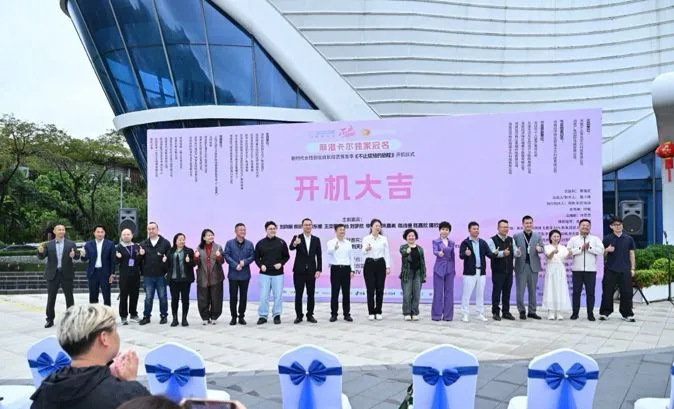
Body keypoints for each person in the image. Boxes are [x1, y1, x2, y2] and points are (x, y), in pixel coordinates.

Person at [30, 304, 150, 409]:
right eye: (115, 330)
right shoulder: (126, 395)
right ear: (104, 338)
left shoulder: (47, 388)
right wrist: (131, 384)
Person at [37, 224, 79, 328]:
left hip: (66, 274)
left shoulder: (71, 244)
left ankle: (70, 319)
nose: (61, 231)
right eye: (59, 229)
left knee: (69, 297)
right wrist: (40, 252)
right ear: (54, 231)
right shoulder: (48, 244)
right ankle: (50, 319)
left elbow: (77, 256)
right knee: (51, 298)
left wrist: (74, 255)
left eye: (63, 229)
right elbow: (42, 257)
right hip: (53, 274)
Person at [599, 216, 637, 322]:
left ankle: (627, 314)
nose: (618, 226)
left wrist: (633, 268)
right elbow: (602, 255)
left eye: (620, 224)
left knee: (627, 292)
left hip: (625, 269)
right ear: (611, 226)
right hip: (610, 269)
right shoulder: (607, 238)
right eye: (615, 225)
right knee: (607, 292)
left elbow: (632, 254)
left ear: (622, 226)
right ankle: (605, 313)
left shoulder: (629, 239)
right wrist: (607, 250)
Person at [567, 219, 604, 321]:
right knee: (576, 292)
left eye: (587, 226)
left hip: (591, 270)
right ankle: (575, 313)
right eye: (583, 225)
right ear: (579, 227)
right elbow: (568, 252)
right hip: (577, 270)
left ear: (590, 228)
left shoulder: (595, 239)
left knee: (590, 293)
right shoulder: (573, 239)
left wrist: (589, 248)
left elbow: (601, 251)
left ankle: (590, 314)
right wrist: (580, 249)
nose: (585, 227)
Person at [254, 221, 290, 325]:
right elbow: (256, 257)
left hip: (278, 274)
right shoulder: (260, 243)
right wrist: (261, 265)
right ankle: (263, 316)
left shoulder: (281, 242)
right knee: (263, 296)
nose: (272, 230)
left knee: (278, 296)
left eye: (274, 228)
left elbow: (286, 256)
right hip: (264, 274)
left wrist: (281, 264)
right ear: (266, 230)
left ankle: (277, 315)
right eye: (270, 229)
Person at [289, 218, 323, 324]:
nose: (308, 226)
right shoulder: (297, 237)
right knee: (298, 294)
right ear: (302, 226)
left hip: (311, 271)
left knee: (311, 294)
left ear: (312, 226)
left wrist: (319, 269)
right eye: (306, 225)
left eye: (309, 225)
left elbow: (319, 256)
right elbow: (291, 248)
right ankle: (299, 316)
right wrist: (295, 243)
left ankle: (310, 315)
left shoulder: (316, 239)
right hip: (299, 271)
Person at [459, 221, 494, 322]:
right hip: (469, 272)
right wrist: (466, 253)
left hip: (481, 272)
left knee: (480, 294)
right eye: (474, 229)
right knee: (466, 294)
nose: (476, 230)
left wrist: (495, 253)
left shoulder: (482, 242)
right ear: (469, 230)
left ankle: (480, 313)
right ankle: (465, 314)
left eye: (477, 229)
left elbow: (489, 254)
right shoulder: (465, 243)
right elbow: (461, 256)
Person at [139, 222, 171, 326]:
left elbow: (170, 259)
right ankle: (146, 316)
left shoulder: (165, 243)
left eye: (153, 228)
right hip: (148, 275)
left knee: (162, 297)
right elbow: (139, 260)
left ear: (158, 230)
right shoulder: (143, 244)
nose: (151, 231)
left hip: (161, 275)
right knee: (148, 297)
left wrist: (166, 264)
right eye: (149, 229)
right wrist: (140, 255)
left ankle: (164, 316)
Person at [513, 215, 544, 320]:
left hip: (533, 266)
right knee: (520, 291)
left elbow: (542, 248)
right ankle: (521, 311)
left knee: (532, 290)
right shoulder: (517, 236)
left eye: (530, 223)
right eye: (526, 223)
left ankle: (532, 311)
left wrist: (540, 249)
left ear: (532, 224)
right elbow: (513, 250)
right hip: (521, 266)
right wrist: (516, 252)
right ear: (523, 224)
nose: (528, 225)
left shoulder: (537, 236)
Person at [224, 223, 255, 326]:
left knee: (243, 297)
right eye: (241, 230)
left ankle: (241, 316)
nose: (243, 231)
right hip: (233, 275)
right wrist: (235, 265)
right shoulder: (229, 243)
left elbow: (252, 256)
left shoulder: (249, 244)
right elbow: (226, 255)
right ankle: (233, 317)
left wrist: (244, 262)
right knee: (233, 297)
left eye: (244, 230)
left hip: (245, 275)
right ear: (235, 231)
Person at [193, 229, 225, 325]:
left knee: (216, 298)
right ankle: (205, 317)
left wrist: (219, 256)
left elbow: (222, 261)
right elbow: (196, 263)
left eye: (212, 235)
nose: (211, 237)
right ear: (204, 237)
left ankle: (214, 316)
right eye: (209, 235)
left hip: (216, 277)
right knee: (203, 299)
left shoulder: (218, 247)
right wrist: (196, 257)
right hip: (203, 277)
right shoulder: (199, 248)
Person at [362, 218, 391, 321]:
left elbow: (387, 253)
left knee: (380, 289)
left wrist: (388, 266)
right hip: (369, 263)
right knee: (370, 290)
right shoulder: (366, 238)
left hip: (380, 263)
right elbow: (363, 251)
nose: (378, 227)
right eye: (376, 226)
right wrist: (367, 249)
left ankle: (378, 311)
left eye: (379, 226)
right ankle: (371, 312)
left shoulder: (383, 239)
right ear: (371, 227)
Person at [487, 219, 516, 321]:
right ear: (498, 228)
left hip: (509, 271)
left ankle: (506, 312)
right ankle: (495, 312)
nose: (505, 229)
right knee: (497, 292)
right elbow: (491, 253)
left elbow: (515, 253)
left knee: (507, 292)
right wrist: (502, 253)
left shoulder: (511, 240)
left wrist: (518, 252)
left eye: (507, 227)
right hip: (498, 271)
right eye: (503, 227)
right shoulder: (491, 240)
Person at [80, 225, 116, 306]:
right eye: (98, 232)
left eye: (102, 232)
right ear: (94, 233)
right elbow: (84, 259)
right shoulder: (88, 244)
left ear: (104, 233)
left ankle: (107, 313)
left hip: (105, 273)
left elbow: (113, 260)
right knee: (93, 296)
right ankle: (94, 313)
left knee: (106, 296)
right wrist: (83, 255)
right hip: (93, 273)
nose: (100, 234)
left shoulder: (110, 244)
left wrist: (112, 273)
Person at [327, 224, 355, 322]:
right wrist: (334, 248)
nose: (342, 231)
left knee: (346, 293)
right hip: (335, 269)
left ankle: (347, 314)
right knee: (335, 292)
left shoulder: (348, 243)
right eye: (340, 230)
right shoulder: (331, 242)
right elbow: (329, 252)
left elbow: (351, 257)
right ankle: (334, 314)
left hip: (346, 269)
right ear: (336, 231)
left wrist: (352, 270)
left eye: (343, 230)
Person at [166, 233, 196, 327]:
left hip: (185, 280)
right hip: (173, 280)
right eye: (180, 239)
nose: (182, 241)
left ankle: (184, 319)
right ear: (175, 241)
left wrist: (189, 261)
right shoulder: (170, 251)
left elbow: (194, 264)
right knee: (174, 300)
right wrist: (164, 262)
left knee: (185, 300)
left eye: (183, 239)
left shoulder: (189, 251)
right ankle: (175, 319)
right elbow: (167, 265)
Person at [541, 229, 572, 320]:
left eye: (558, 236)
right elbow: (548, 257)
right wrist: (553, 252)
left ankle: (559, 311)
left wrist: (570, 253)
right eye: (554, 236)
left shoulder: (563, 248)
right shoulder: (547, 247)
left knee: (560, 289)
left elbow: (567, 256)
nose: (556, 238)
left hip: (560, 269)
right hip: (551, 268)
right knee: (550, 288)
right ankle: (551, 311)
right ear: (550, 237)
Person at [115, 228, 142, 325]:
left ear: (132, 235)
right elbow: (116, 262)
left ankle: (133, 314)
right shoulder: (119, 247)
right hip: (124, 275)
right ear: (121, 236)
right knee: (123, 296)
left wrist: (141, 255)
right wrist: (117, 258)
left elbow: (139, 261)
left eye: (128, 234)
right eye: (124, 234)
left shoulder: (137, 246)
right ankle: (123, 316)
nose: (126, 236)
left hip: (135, 274)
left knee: (135, 295)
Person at [399, 229, 426, 321]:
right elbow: (403, 253)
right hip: (407, 274)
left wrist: (423, 274)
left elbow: (423, 262)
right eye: (409, 236)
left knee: (416, 294)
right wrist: (407, 251)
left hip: (418, 273)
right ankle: (407, 313)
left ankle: (414, 312)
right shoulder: (403, 247)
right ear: (406, 237)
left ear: (415, 237)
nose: (411, 237)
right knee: (407, 294)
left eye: (413, 236)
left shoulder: (420, 249)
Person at [431, 221, 455, 321]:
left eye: (446, 229)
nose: (444, 231)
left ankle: (448, 316)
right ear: (439, 230)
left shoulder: (452, 243)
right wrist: (439, 253)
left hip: (450, 268)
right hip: (439, 269)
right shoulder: (436, 241)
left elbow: (453, 257)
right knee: (438, 292)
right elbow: (434, 251)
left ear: (449, 231)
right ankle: (436, 315)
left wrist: (453, 270)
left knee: (449, 292)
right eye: (442, 229)